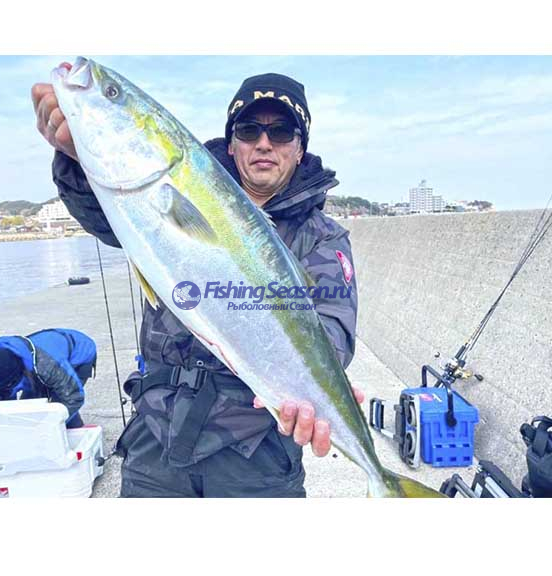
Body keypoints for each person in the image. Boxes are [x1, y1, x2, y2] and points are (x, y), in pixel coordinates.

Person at [31, 66, 361, 496]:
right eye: (249, 130)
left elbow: (333, 326)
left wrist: (316, 387)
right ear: (232, 143)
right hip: (156, 440)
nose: (264, 143)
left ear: (300, 150)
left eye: (281, 132)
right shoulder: (179, 187)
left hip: (256, 455)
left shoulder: (322, 237)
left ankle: (380, 479)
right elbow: (105, 218)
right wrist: (77, 160)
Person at [0, 328, 97, 429]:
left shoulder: (47, 365)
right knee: (29, 409)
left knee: (58, 404)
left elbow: (74, 397)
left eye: (7, 386)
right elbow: (2, 404)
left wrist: (49, 426)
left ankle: (76, 430)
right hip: (40, 358)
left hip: (79, 353)